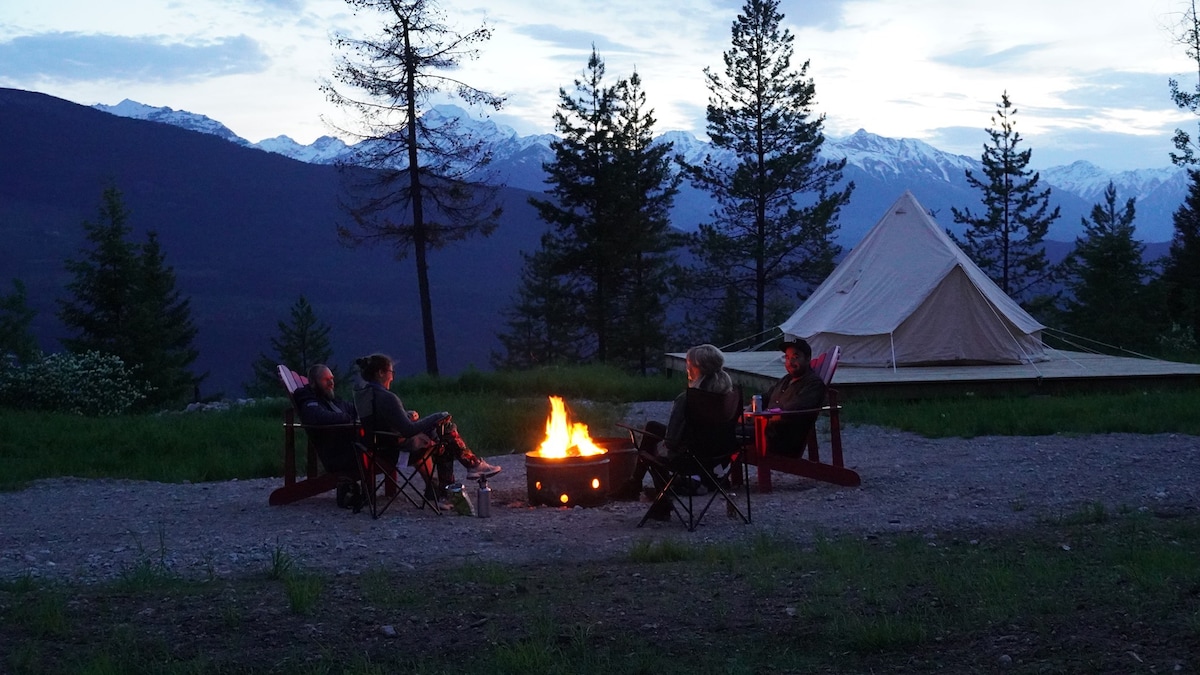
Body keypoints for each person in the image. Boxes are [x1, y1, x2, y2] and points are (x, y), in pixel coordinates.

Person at [353, 353, 500, 509]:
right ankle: (470, 468)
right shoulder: (387, 397)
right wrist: (437, 416)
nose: (392, 377)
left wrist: (405, 415)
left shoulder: (364, 395)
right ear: (381, 373)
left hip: (379, 451)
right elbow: (408, 430)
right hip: (398, 453)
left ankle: (448, 490)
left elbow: (381, 420)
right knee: (446, 429)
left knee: (444, 437)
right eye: (391, 372)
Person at [617, 344, 737, 520]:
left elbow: (672, 441)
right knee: (653, 427)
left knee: (649, 449)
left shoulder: (688, 398)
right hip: (717, 455)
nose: (687, 368)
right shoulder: (728, 395)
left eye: (689, 364)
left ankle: (659, 501)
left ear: (697, 368)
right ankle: (638, 487)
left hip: (689, 459)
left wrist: (661, 445)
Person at [291, 364, 361, 508]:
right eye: (325, 380)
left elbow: (358, 410)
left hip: (349, 449)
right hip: (340, 455)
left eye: (332, 378)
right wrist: (348, 419)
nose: (331, 383)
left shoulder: (331, 401)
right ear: (313, 383)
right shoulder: (310, 402)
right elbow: (318, 417)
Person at [758, 337, 826, 457]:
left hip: (781, 438)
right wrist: (748, 409)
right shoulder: (786, 379)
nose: (790, 362)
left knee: (728, 435)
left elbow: (793, 410)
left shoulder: (813, 384)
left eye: (795, 357)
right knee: (725, 430)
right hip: (765, 430)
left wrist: (762, 417)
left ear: (808, 359)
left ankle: (718, 471)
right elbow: (765, 397)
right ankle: (718, 471)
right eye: (787, 357)